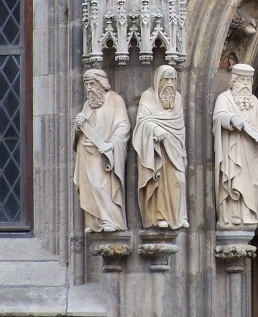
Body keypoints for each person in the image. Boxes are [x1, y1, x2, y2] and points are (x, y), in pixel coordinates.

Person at [213, 64, 258, 229]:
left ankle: (249, 213)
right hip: (233, 148)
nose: (246, 84)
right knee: (234, 179)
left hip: (250, 148)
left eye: (248, 81)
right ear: (234, 81)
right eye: (242, 80)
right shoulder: (225, 98)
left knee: (252, 181)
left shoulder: (253, 101)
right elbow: (218, 117)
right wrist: (231, 119)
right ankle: (232, 215)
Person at [73, 69, 130, 232]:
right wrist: (77, 127)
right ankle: (95, 222)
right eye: (86, 85)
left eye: (92, 84)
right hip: (86, 152)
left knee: (100, 185)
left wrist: (113, 143)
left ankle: (111, 221)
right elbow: (81, 130)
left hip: (103, 153)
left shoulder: (115, 100)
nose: (89, 88)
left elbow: (123, 124)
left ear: (102, 84)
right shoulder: (87, 105)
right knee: (90, 186)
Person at [132, 65, 188, 230]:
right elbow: (142, 122)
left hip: (175, 146)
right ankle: (159, 216)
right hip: (157, 148)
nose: (170, 83)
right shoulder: (148, 97)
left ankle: (178, 216)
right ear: (158, 80)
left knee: (179, 180)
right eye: (166, 79)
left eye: (173, 79)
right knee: (159, 179)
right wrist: (155, 129)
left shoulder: (177, 98)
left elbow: (179, 125)